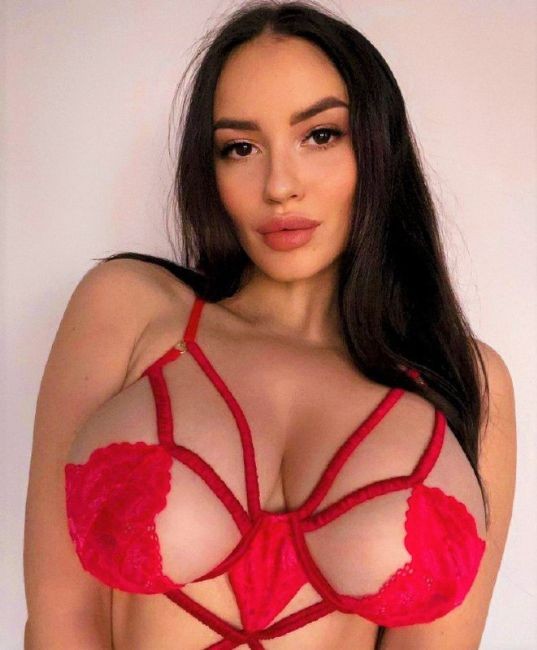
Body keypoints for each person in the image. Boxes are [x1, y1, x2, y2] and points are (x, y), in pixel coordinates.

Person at [23, 1, 516, 648]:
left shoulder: (462, 377)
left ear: (377, 146)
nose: (279, 185)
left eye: (320, 136)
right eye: (240, 147)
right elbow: (60, 620)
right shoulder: (128, 309)